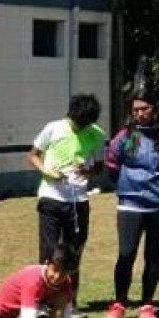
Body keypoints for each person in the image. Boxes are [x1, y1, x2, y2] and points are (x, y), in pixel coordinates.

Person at [104, 91, 159, 318]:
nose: (140, 114)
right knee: (126, 253)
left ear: (155, 109)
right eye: (135, 110)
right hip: (130, 204)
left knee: (153, 255)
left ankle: (147, 305)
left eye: (145, 109)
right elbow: (112, 165)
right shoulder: (124, 137)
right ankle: (119, 304)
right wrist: (128, 184)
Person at [27, 93, 105, 270]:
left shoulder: (97, 135)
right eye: (77, 124)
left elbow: (100, 167)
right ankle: (45, 295)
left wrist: (88, 171)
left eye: (85, 125)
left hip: (78, 200)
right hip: (51, 197)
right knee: (49, 251)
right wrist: (46, 170)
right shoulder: (53, 128)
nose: (80, 128)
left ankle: (70, 296)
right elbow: (32, 155)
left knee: (74, 251)